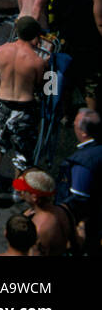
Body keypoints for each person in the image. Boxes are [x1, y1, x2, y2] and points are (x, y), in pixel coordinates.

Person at [0, 16, 47, 200]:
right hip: (25, 106)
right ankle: (17, 189)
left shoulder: (0, 50)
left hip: (2, 101)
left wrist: (2, 82)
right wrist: (49, 65)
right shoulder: (37, 60)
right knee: (22, 148)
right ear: (35, 36)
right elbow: (46, 89)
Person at [58, 108, 101, 256]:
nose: (73, 126)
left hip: (88, 227)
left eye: (75, 124)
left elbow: (78, 200)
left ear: (84, 133)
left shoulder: (83, 161)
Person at [14, 168, 72, 256]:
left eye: (24, 190)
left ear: (34, 197)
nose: (21, 192)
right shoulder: (64, 209)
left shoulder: (38, 228)